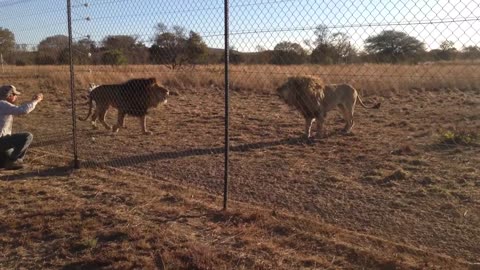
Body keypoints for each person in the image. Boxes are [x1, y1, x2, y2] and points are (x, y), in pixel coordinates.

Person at [0, 85, 43, 170]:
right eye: (15, 95)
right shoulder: (2, 104)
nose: (16, 97)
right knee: (27, 136)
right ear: (10, 95)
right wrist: (35, 101)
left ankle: (6, 161)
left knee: (7, 154)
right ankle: (14, 161)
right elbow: (22, 110)